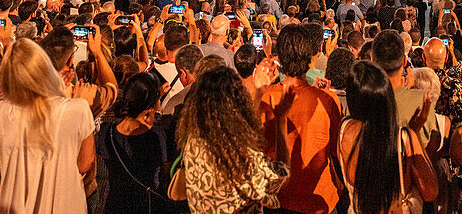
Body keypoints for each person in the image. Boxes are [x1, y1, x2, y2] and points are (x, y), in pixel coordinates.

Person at [0, 38, 95, 214]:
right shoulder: (78, 108)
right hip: (63, 205)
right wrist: (61, 93)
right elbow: (85, 164)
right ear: (44, 68)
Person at [180, 65, 293, 214]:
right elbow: (280, 175)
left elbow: (242, 130)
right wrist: (281, 119)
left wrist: (259, 93)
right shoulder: (240, 155)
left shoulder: (194, 140)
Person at [260, 23, 342, 214]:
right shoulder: (328, 100)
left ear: (279, 58)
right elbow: (336, 152)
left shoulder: (266, 98)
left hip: (278, 197)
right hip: (320, 197)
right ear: (310, 58)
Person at [337, 61, 438, 214]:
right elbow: (430, 191)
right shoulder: (403, 138)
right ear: (387, 98)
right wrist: (415, 132)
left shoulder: (344, 129)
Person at [97, 72, 168, 214]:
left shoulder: (106, 132)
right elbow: (164, 175)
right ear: (152, 104)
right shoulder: (156, 136)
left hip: (114, 204)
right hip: (145, 205)